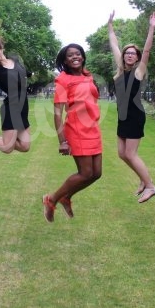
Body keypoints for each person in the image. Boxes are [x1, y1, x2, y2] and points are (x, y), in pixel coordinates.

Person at [42, 43, 102, 222]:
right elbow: (58, 112)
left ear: (83, 57)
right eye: (70, 55)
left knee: (97, 173)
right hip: (77, 129)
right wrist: (62, 141)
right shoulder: (63, 79)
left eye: (78, 54)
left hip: (93, 128)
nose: (75, 57)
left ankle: (65, 197)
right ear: (65, 61)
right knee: (85, 173)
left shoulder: (87, 76)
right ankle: (51, 199)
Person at [108, 10, 155, 203]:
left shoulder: (138, 72)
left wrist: (151, 28)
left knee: (131, 153)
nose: (130, 55)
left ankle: (151, 186)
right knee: (122, 154)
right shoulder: (120, 71)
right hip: (123, 117)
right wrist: (110, 25)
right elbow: (113, 43)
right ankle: (143, 180)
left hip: (135, 115)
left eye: (133, 54)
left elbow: (146, 51)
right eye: (127, 53)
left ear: (137, 58)